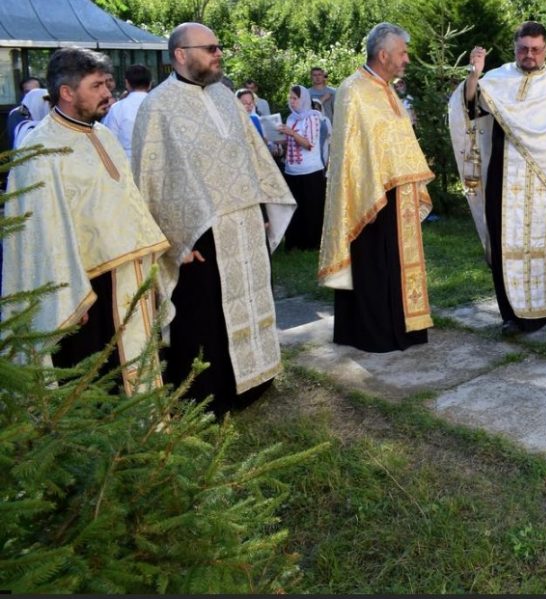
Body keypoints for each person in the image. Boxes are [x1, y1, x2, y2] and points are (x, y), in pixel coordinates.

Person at [132, 22, 296, 416]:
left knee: (250, 301)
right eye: (209, 48)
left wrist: (264, 209)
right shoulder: (158, 106)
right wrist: (172, 242)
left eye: (218, 47)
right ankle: (207, 396)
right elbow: (151, 180)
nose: (218, 53)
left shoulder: (225, 97)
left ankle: (254, 381)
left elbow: (252, 156)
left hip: (245, 224)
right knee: (204, 317)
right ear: (180, 54)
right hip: (197, 235)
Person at [2, 47, 168, 395]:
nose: (108, 92)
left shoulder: (102, 134)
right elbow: (39, 236)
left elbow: (127, 204)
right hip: (84, 288)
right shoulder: (40, 150)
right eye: (96, 86)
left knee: (128, 366)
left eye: (107, 84)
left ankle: (137, 426)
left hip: (125, 274)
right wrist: (66, 295)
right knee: (90, 377)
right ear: (67, 92)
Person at [449, 20, 546, 336]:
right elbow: (469, 109)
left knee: (545, 245)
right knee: (505, 243)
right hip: (503, 177)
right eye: (523, 49)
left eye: (535, 49)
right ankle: (510, 314)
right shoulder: (497, 79)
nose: (529, 55)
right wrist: (474, 73)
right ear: (515, 47)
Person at [319, 22, 434, 352]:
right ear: (383, 55)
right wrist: (367, 190)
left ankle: (405, 326)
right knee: (374, 264)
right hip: (370, 196)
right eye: (402, 53)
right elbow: (350, 152)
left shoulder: (386, 88)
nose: (406, 59)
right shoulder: (353, 89)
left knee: (397, 264)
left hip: (399, 193)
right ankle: (377, 332)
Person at [278, 85, 326, 251]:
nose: (292, 101)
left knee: (311, 208)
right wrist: (276, 137)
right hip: (291, 170)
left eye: (295, 98)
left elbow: (309, 144)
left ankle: (312, 243)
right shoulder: (291, 118)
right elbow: (288, 142)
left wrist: (291, 133)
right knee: (295, 207)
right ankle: (294, 241)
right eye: (290, 98)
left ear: (304, 99)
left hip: (310, 170)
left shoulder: (312, 117)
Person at [102, 64, 152, 161]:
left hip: (126, 163)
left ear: (127, 83)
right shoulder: (161, 105)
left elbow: (109, 141)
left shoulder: (117, 108)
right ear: (150, 84)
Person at [5, 76, 43, 150]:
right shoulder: (17, 113)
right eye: (27, 92)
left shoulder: (51, 109)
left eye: (35, 91)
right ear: (23, 94)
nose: (31, 94)